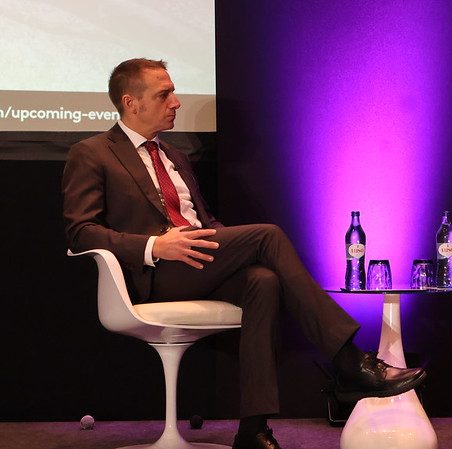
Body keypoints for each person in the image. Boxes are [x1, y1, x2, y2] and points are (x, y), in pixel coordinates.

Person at [62, 58, 426, 449]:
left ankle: (253, 429)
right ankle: (350, 362)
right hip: (155, 273)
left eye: (174, 92)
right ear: (131, 103)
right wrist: (155, 245)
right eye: (164, 94)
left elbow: (205, 221)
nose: (176, 102)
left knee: (263, 282)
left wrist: (226, 243)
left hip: (200, 261)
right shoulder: (93, 153)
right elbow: (80, 232)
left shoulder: (174, 156)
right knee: (268, 236)